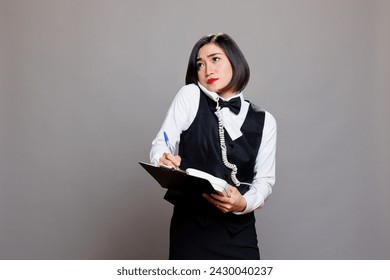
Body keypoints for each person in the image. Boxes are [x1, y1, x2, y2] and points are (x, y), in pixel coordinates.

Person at [150, 33, 277, 260]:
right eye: (200, 64)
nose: (207, 70)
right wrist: (162, 157)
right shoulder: (190, 95)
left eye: (215, 59)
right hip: (191, 229)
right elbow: (163, 141)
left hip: (240, 232)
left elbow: (265, 181)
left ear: (234, 60)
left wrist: (243, 203)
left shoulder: (265, 120)